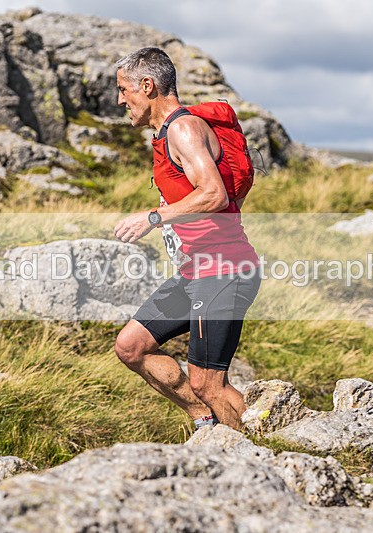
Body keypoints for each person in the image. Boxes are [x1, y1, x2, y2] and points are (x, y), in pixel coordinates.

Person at [113, 47, 261, 430]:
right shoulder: (166, 135)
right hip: (198, 269)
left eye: (123, 90)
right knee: (132, 347)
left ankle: (267, 449)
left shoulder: (182, 128)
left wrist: (153, 217)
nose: (120, 100)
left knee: (208, 382)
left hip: (224, 269)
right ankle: (205, 421)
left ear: (147, 86)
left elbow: (215, 194)